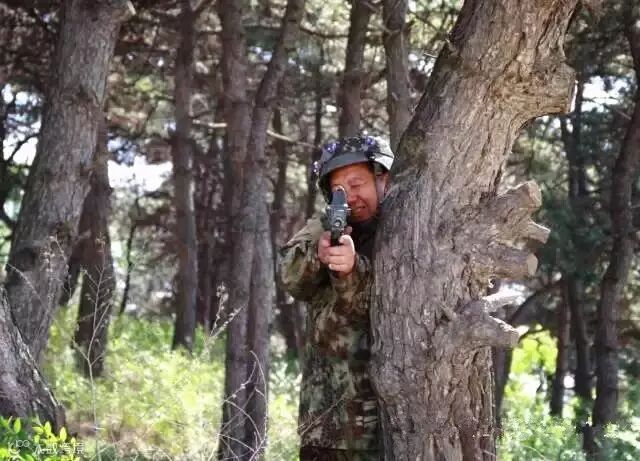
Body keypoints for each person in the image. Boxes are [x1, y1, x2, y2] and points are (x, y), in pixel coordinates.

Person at [279, 134, 394, 460]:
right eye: (339, 189)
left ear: (383, 177)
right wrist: (320, 256)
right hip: (326, 424)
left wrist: (353, 269)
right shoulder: (324, 226)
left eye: (357, 184)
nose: (350, 196)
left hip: (383, 426)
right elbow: (290, 278)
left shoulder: (406, 228)